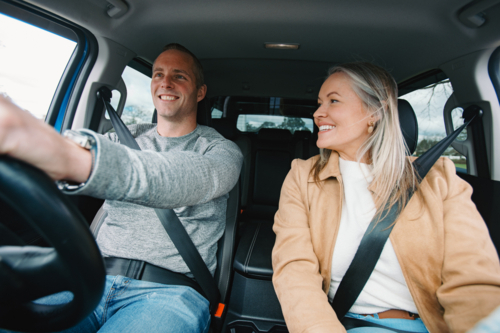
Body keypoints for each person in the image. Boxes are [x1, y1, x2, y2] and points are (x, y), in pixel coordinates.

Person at [0, 43, 243, 333]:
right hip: (90, 279)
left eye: (179, 76)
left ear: (200, 92)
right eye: (157, 74)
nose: (165, 82)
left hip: (169, 293)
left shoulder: (222, 151)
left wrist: (72, 158)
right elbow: (84, 142)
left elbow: (184, 177)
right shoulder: (124, 136)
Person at [271, 62, 500, 333]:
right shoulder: (304, 176)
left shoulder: (438, 178)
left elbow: (472, 280)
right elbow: (294, 269)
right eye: (320, 103)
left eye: (333, 101)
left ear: (375, 112)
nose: (318, 113)